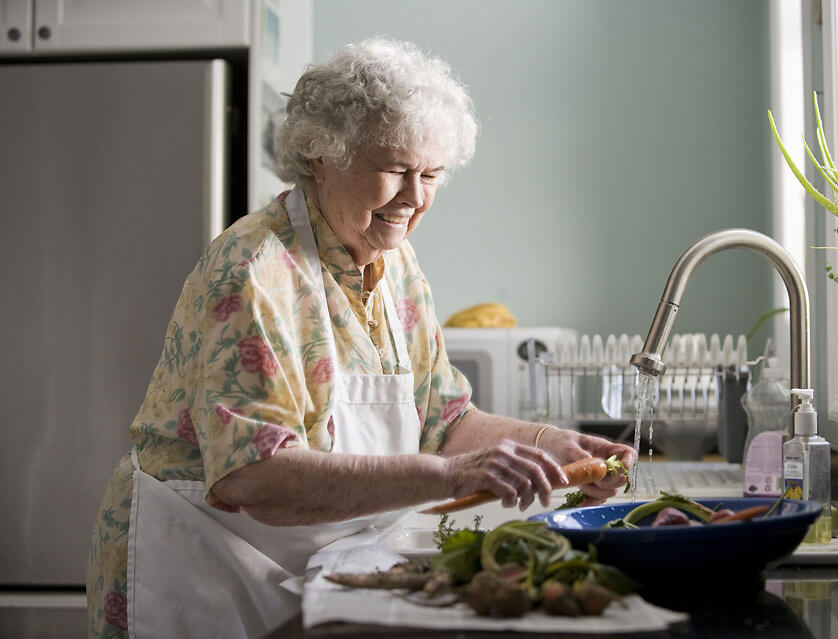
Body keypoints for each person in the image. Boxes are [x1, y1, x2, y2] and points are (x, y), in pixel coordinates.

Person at [87, 38, 636, 639]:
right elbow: (254, 477)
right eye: (396, 170)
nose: (415, 197)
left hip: (310, 567)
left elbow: (444, 420)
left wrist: (552, 445)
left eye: (431, 174)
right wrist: (451, 477)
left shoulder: (396, 264)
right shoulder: (254, 270)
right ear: (322, 155)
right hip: (205, 568)